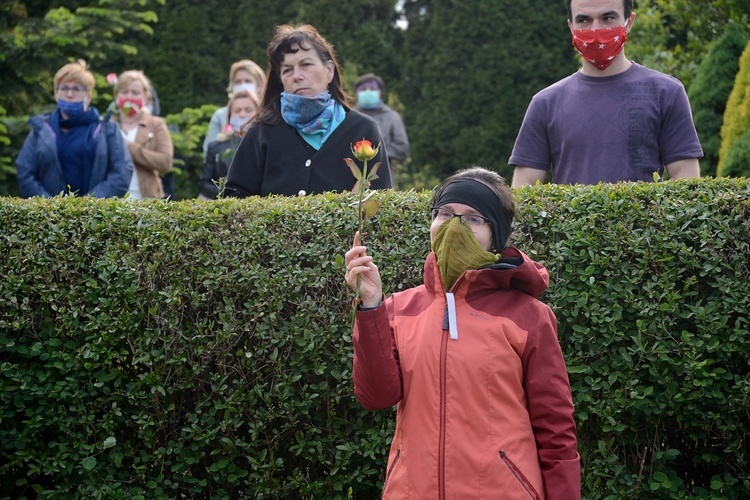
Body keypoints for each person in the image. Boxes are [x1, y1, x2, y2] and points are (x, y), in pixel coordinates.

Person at [344, 166, 580, 499]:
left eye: (472, 218)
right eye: (445, 213)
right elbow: (376, 396)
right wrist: (371, 306)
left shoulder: (529, 317)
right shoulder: (400, 309)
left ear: (495, 235)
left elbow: (556, 432)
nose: (455, 225)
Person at [509, 0, 703, 186]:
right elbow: (524, 188)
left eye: (608, 18)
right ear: (571, 26)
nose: (595, 30)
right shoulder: (545, 103)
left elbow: (685, 180)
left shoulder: (666, 93)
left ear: (629, 22)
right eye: (584, 20)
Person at [225, 24, 392, 197]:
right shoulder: (262, 131)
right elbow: (234, 198)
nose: (297, 76)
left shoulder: (362, 130)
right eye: (288, 70)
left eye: (306, 65)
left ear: (329, 71)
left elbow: (381, 201)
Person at [16, 60, 133, 198]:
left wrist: (86, 206)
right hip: (48, 216)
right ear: (56, 93)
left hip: (94, 216)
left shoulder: (107, 130)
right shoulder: (40, 129)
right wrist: (50, 207)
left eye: (77, 89)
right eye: (64, 88)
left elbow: (122, 173)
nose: (69, 94)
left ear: (88, 95)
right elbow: (25, 172)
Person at [113, 70, 174, 200]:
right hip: (111, 201)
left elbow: (165, 162)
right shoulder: (107, 125)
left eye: (135, 93)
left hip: (147, 201)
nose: (129, 96)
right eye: (124, 92)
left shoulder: (156, 124)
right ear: (117, 95)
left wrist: (129, 148)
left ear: (145, 97)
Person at [199, 90, 259, 199]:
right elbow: (204, 184)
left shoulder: (264, 145)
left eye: (248, 110)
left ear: (257, 113)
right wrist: (227, 193)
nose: (242, 114)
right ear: (230, 116)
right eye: (237, 110)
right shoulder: (215, 147)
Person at [202, 59, 266, 156]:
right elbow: (209, 150)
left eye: (247, 81)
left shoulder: (268, 113)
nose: (242, 85)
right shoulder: (220, 115)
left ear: (260, 85)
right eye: (238, 82)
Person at [354, 73, 410, 178]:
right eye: (363, 89)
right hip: (352, 178)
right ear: (357, 92)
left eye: (372, 88)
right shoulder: (349, 116)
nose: (368, 91)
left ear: (379, 92)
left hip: (383, 178)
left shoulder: (391, 117)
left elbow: (402, 149)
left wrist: (373, 151)